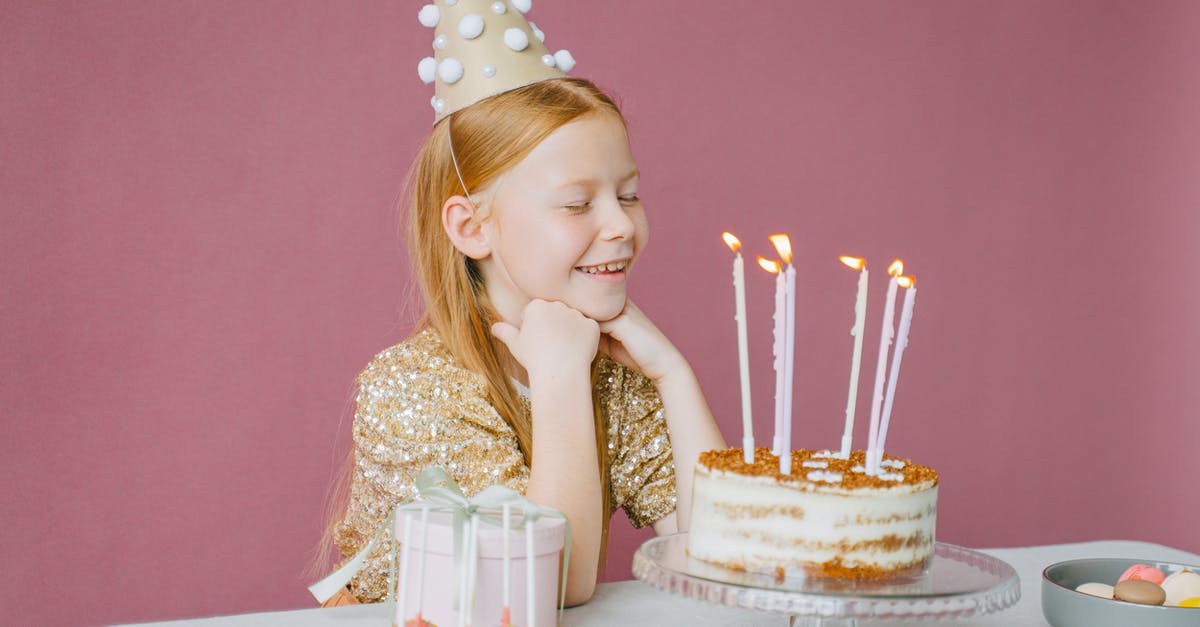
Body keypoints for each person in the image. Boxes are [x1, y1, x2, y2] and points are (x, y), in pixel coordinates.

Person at [322, 1, 725, 607]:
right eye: (576, 204)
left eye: (629, 194)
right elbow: (554, 585)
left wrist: (674, 374)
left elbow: (720, 554)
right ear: (472, 228)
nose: (621, 224)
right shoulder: (413, 387)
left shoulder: (614, 374)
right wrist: (559, 378)